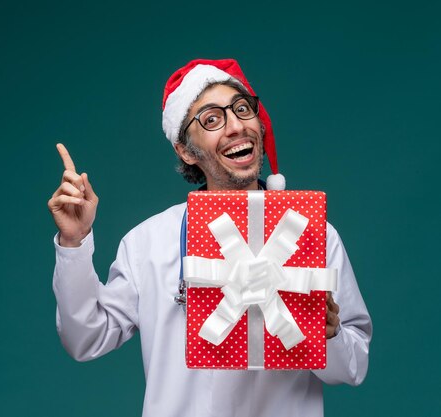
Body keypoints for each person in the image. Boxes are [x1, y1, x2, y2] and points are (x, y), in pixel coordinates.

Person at [48, 58, 372, 417]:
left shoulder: (314, 235)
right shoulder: (149, 243)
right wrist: (74, 244)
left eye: (243, 109)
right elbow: (85, 339)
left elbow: (354, 368)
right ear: (186, 150)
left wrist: (331, 334)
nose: (236, 126)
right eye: (212, 119)